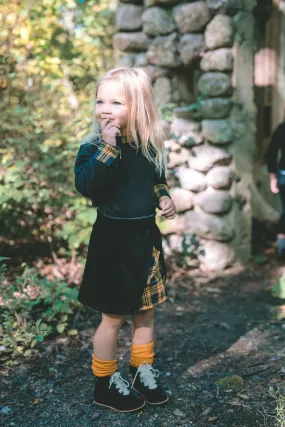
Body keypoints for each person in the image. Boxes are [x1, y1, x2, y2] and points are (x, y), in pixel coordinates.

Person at [74, 67, 176, 413]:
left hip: (145, 241)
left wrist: (163, 196)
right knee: (113, 318)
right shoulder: (92, 149)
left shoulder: (147, 148)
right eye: (100, 100)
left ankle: (140, 369)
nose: (105, 108)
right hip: (113, 245)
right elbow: (88, 185)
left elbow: (156, 179)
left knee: (146, 313)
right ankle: (104, 383)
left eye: (116, 102)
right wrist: (108, 147)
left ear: (139, 106)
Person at [267, 120, 285, 257]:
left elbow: (272, 153)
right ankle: (281, 247)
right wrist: (273, 178)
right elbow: (272, 153)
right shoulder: (282, 129)